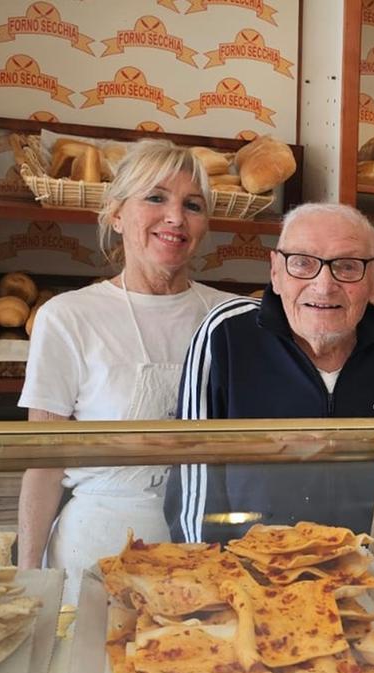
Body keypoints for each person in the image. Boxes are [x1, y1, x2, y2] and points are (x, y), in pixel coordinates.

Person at [17, 140, 235, 601]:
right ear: (117, 215)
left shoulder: (231, 318)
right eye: (155, 198)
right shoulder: (68, 316)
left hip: (203, 543)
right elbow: (44, 460)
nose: (175, 216)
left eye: (192, 205)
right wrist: (30, 575)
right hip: (98, 544)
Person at [168, 203, 374, 544]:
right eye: (302, 263)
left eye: (347, 266)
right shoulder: (227, 335)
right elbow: (191, 471)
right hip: (247, 576)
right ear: (275, 272)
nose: (324, 285)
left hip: (361, 575)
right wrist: (206, 574)